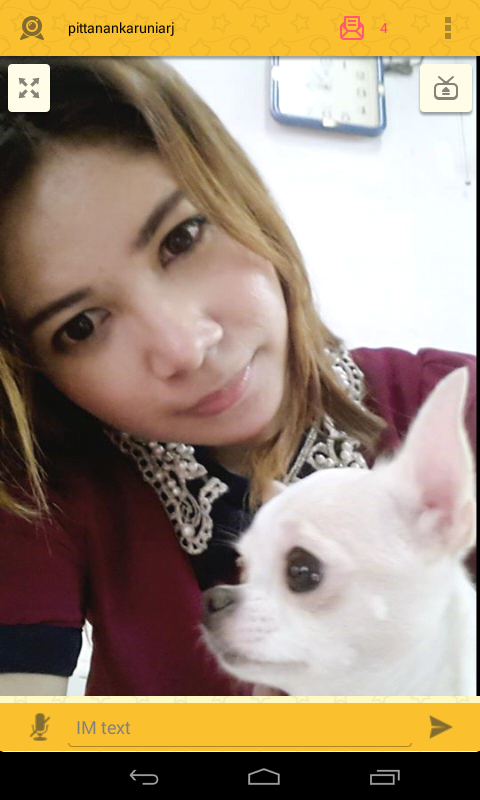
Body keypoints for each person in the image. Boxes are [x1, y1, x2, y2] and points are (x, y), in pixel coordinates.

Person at [0, 57, 476, 697]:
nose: (184, 347)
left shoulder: (451, 407)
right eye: (82, 326)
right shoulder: (45, 496)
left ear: (241, 197)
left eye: (182, 238)